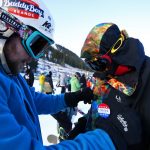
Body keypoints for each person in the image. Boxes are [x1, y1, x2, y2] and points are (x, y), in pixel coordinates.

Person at [0, 2, 119, 149]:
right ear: (4, 27)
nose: (34, 58)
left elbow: (34, 101)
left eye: (41, 50)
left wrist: (73, 97)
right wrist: (106, 140)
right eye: (35, 45)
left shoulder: (12, 76)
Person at [68, 22, 149, 149]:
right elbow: (100, 108)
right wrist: (84, 124)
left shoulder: (145, 76)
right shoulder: (105, 75)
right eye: (91, 65)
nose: (98, 70)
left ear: (116, 50)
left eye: (98, 64)